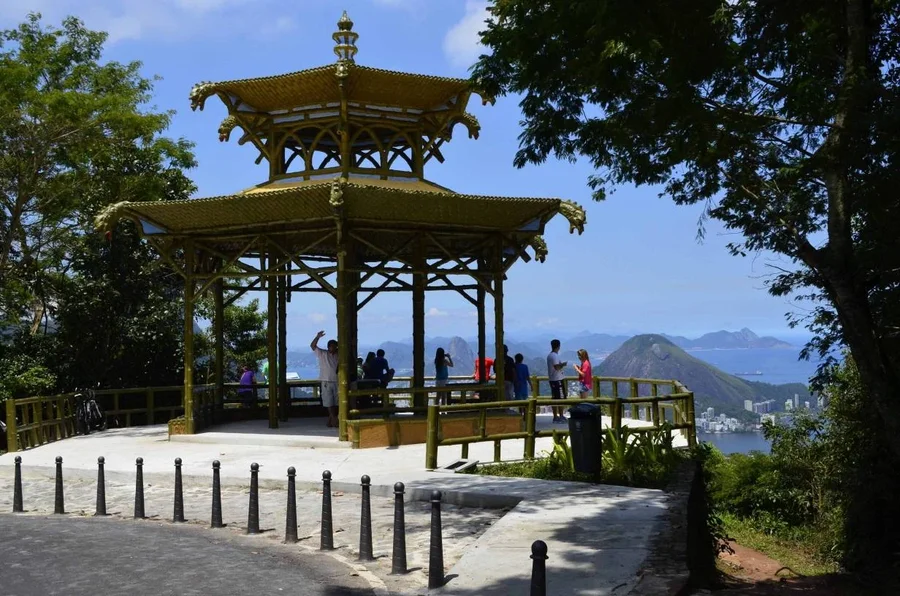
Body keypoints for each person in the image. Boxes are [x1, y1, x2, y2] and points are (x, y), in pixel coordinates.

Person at [310, 330, 339, 428]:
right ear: (328, 347)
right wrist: (317, 337)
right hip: (326, 381)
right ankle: (333, 419)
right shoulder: (323, 354)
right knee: (328, 402)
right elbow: (313, 346)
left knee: (336, 403)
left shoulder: (339, 355)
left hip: (337, 381)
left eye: (334, 346)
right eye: (331, 346)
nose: (333, 348)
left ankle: (331, 419)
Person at [547, 339, 568, 422]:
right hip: (557, 379)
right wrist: (563, 364)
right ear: (559, 346)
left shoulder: (550, 355)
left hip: (552, 379)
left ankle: (556, 416)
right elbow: (557, 367)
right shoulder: (554, 356)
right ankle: (560, 416)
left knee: (555, 398)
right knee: (560, 398)